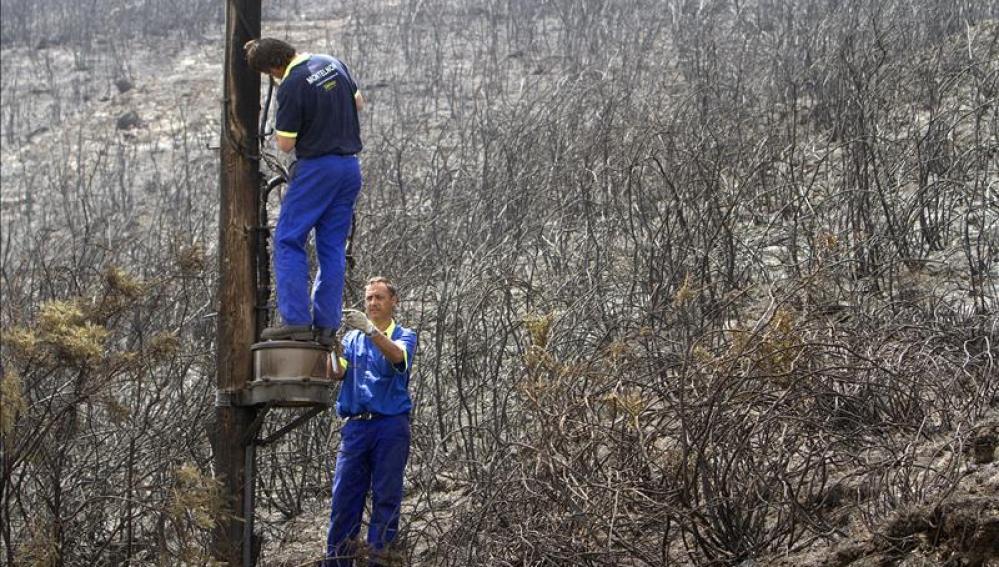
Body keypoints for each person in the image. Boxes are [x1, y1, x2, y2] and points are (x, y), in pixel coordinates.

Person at [244, 38, 365, 345]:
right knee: (332, 247)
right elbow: (359, 102)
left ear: (273, 68)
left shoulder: (292, 83)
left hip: (317, 169)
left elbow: (285, 143)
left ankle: (296, 321)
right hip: (349, 168)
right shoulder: (331, 61)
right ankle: (326, 326)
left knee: (288, 239)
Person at [325, 276, 418, 566]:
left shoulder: (404, 335)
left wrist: (370, 330)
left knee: (386, 500)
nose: (373, 303)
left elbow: (398, 358)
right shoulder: (352, 339)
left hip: (390, 426)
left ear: (394, 301)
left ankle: (379, 561)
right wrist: (330, 343)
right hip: (356, 427)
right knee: (343, 501)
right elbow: (336, 373)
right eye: (368, 298)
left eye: (379, 297)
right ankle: (338, 562)